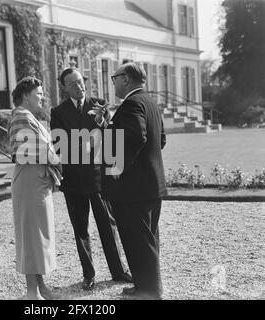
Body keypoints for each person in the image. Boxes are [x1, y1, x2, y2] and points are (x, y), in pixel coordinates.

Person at [50, 68, 132, 291]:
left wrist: (103, 125)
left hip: (98, 178)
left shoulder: (100, 104)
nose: (80, 86)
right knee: (81, 229)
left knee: (108, 225)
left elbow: (110, 137)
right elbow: (59, 145)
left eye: (81, 82)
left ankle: (118, 270)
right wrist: (86, 143)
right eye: (74, 84)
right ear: (65, 88)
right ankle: (88, 274)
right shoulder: (57, 112)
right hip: (73, 180)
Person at [97, 62, 167, 300]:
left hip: (134, 188)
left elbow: (136, 135)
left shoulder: (133, 103)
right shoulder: (149, 102)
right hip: (151, 184)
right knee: (147, 238)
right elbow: (161, 140)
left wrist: (116, 167)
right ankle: (145, 285)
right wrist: (108, 124)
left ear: (125, 79)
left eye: (114, 77)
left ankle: (149, 291)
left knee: (138, 239)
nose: (113, 82)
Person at [9, 76, 62, 300]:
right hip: (30, 182)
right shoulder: (21, 116)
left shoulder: (29, 116)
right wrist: (58, 159)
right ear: (24, 95)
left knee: (39, 236)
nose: (42, 97)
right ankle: (32, 293)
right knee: (32, 237)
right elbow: (26, 151)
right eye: (38, 93)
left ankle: (41, 287)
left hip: (37, 182)